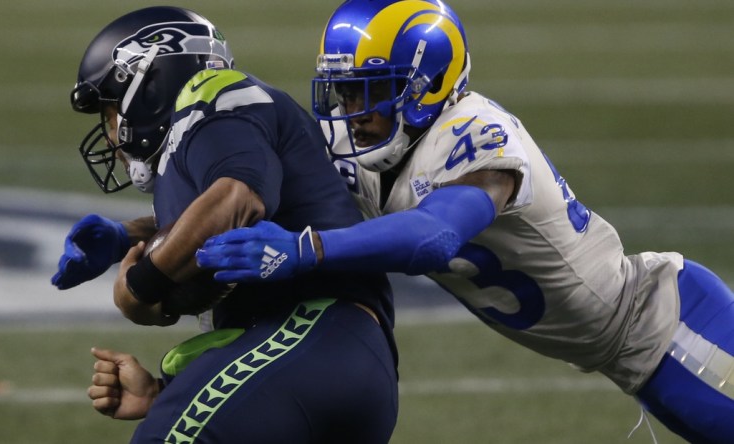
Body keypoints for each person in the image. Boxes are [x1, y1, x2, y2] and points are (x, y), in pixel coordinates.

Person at [195, 0, 734, 442]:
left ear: (426, 85)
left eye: (372, 90)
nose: (353, 110)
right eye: (344, 90)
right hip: (630, 356)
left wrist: (307, 248)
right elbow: (253, 201)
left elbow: (434, 235)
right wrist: (134, 236)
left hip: (668, 327)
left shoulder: (477, 133)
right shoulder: (360, 144)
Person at [52, 6, 398, 443]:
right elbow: (229, 215)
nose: (110, 134)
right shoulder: (215, 131)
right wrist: (129, 237)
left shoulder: (212, 94)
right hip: (321, 356)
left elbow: (238, 198)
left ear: (147, 84)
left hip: (314, 330)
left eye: (110, 111)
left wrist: (139, 289)